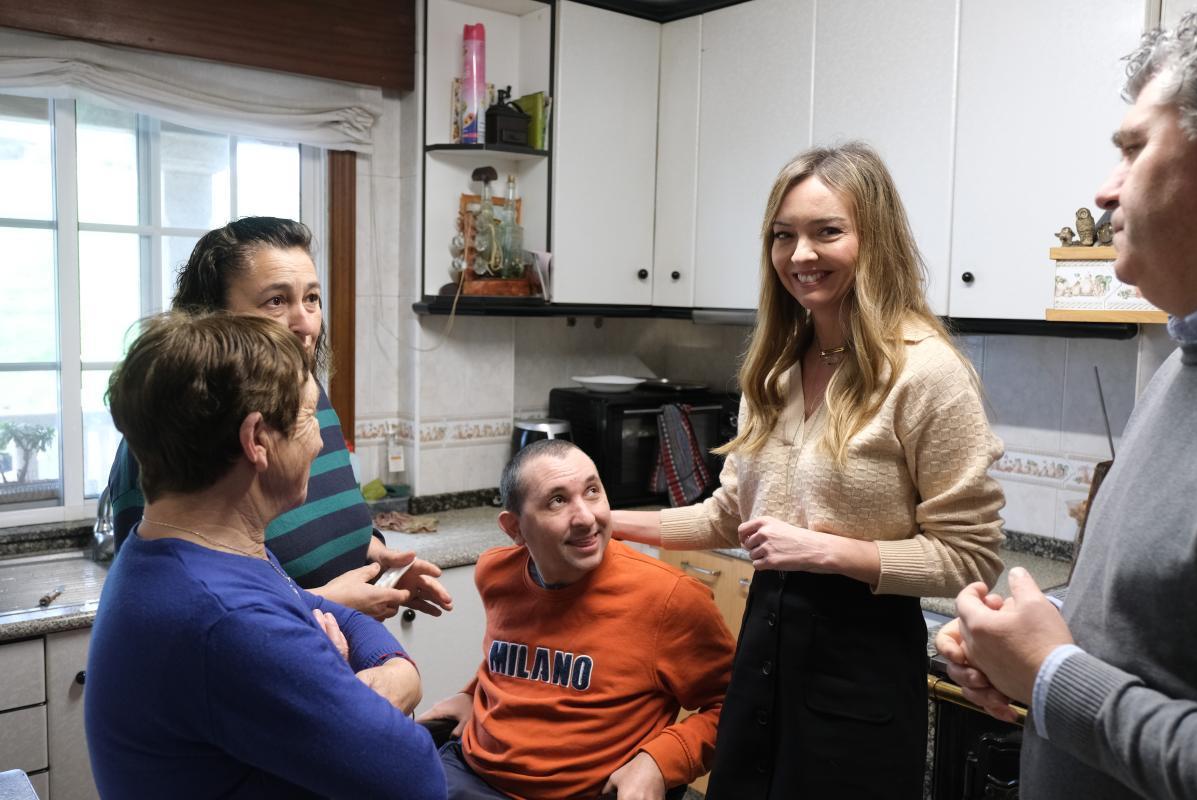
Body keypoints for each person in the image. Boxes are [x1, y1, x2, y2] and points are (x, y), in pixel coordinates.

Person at [612, 143, 1006, 798]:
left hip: (863, 670)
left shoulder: (927, 372)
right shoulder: (772, 368)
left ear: (872, 239)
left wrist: (826, 550)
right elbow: (728, 517)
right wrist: (606, 521)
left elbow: (972, 557)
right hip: (764, 658)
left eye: (827, 232)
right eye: (783, 236)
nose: (801, 255)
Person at [936, 12, 1197, 798]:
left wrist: (1053, 675)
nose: (1105, 188)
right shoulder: (1177, 368)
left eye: (1133, 148)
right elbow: (1149, 666)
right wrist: (1030, 679)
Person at [85, 311, 445, 799]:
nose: (319, 440)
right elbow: (417, 778)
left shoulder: (191, 548)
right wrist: (338, 670)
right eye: (306, 416)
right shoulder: (229, 620)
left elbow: (320, 608)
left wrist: (393, 666)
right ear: (256, 440)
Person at [105, 217, 450, 621]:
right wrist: (326, 604)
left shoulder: (309, 399)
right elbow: (165, 606)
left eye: (312, 299)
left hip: (337, 661)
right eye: (276, 301)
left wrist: (375, 558)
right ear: (214, 318)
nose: (305, 323)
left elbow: (323, 523)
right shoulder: (168, 439)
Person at [417, 439, 735, 800]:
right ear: (514, 529)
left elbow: (733, 705)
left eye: (592, 491)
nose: (586, 518)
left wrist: (659, 762)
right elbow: (525, 650)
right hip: (472, 775)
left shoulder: (670, 597)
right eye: (557, 500)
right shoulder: (496, 572)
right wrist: (472, 693)